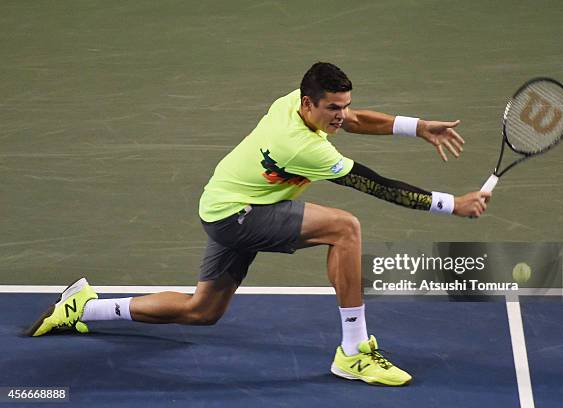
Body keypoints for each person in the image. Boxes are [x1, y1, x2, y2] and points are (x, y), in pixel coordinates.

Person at [27, 62, 491, 386]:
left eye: (344, 104)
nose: (341, 115)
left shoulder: (296, 102)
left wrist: (415, 126)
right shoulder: (303, 146)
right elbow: (375, 185)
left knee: (201, 311)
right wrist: (453, 204)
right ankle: (353, 353)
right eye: (333, 108)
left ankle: (84, 307)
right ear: (309, 104)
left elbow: (355, 121)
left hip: (224, 204)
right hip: (238, 215)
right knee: (345, 228)